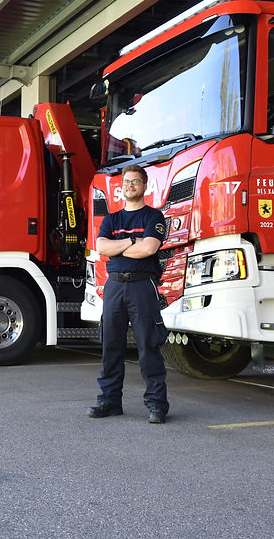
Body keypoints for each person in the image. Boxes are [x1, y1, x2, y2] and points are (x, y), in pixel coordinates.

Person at [88, 165, 170, 423]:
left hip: (141, 285)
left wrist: (119, 247)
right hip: (114, 286)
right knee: (110, 346)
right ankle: (109, 401)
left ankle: (156, 405)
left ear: (144, 186)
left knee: (148, 345)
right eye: (126, 182)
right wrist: (132, 243)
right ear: (121, 187)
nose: (130, 185)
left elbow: (149, 249)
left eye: (135, 181)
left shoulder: (153, 216)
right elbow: (101, 246)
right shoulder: (112, 219)